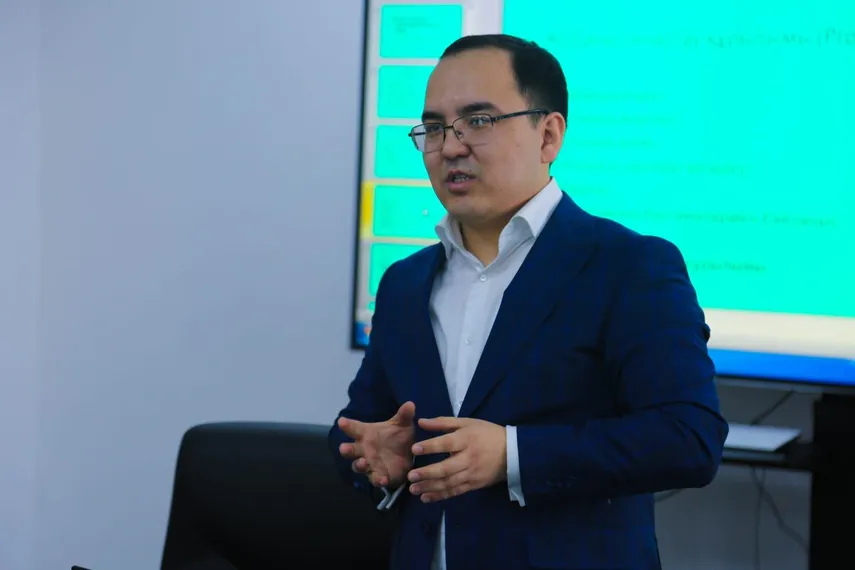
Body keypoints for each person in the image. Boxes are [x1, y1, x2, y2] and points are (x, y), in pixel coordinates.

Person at [329, 33, 728, 570]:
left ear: (548, 135)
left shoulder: (628, 266)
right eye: (435, 127)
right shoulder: (405, 283)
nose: (450, 147)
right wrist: (377, 458)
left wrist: (512, 456)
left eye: (479, 120)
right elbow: (358, 429)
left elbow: (688, 439)